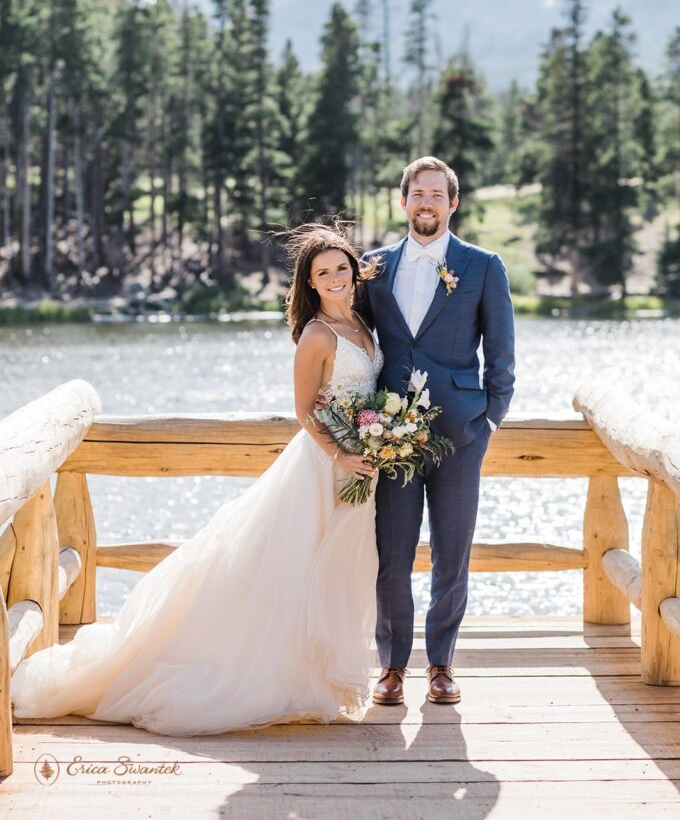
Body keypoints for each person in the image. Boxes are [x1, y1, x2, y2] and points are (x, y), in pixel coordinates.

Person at [11, 226, 382, 736]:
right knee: (297, 569)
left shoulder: (362, 321)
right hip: (324, 468)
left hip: (359, 465)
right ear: (311, 283)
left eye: (342, 268)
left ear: (354, 271)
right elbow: (303, 412)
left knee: (335, 571)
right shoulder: (318, 335)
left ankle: (325, 675)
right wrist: (342, 453)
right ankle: (285, 676)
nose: (335, 278)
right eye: (324, 273)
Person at [356, 156, 515, 707]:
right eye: (417, 194)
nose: (426, 203)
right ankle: (391, 667)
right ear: (403, 202)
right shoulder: (372, 269)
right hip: (391, 439)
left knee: (453, 552)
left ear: (453, 203)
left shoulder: (483, 266)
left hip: (462, 436)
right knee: (391, 555)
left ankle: (442, 663)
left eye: (436, 194)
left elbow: (502, 359)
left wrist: (488, 420)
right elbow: (354, 343)